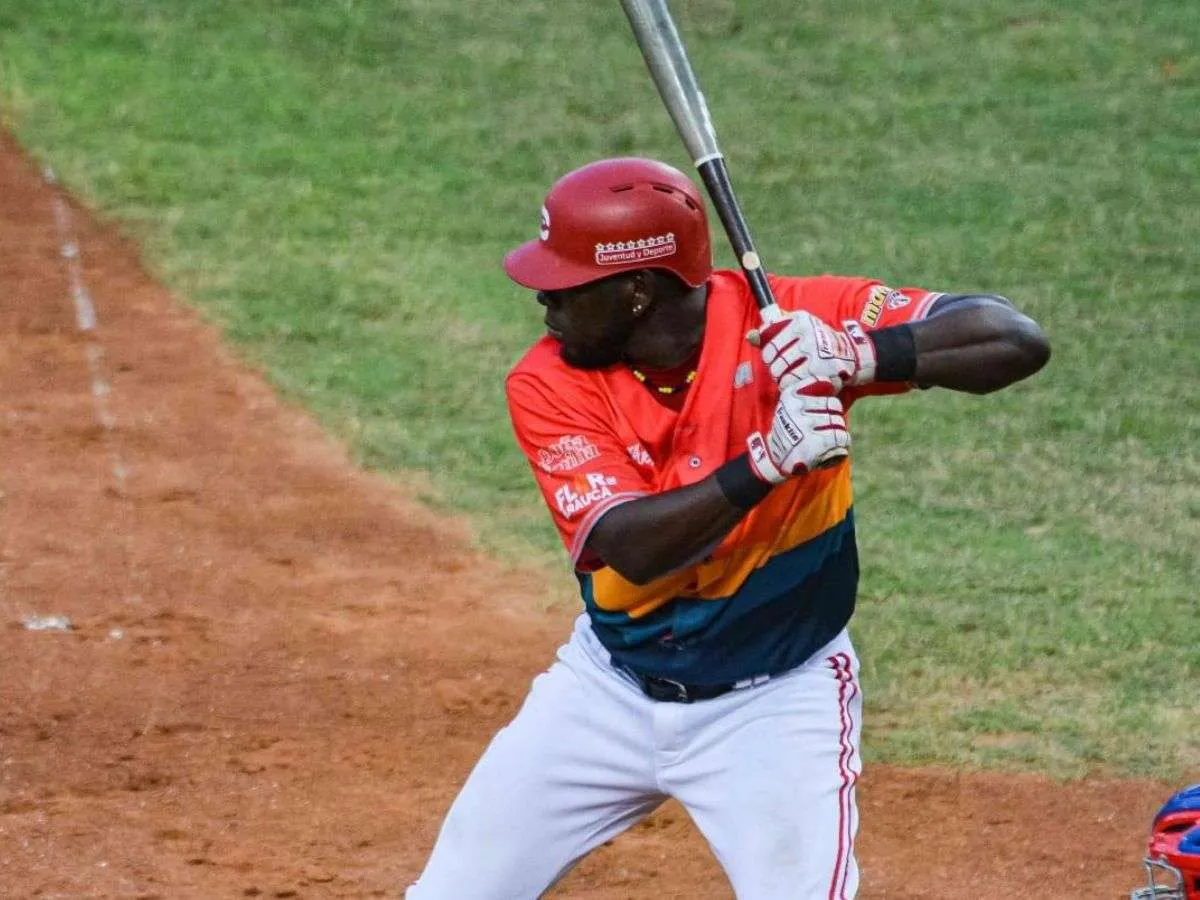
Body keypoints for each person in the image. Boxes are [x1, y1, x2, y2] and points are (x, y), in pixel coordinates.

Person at [406, 157, 1050, 899]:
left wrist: (856, 354)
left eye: (565, 285)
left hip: (776, 701)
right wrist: (767, 462)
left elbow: (1013, 339)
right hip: (604, 694)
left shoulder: (791, 318)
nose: (544, 300)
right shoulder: (547, 380)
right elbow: (634, 548)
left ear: (638, 289)